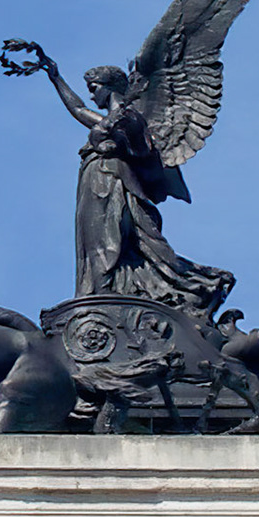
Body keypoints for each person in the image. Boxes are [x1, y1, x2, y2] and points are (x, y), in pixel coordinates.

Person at [40, 54, 234, 319]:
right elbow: (78, 110)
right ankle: (100, 294)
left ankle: (186, 284)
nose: (92, 96)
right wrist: (55, 77)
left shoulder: (130, 118)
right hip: (95, 182)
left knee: (113, 242)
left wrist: (114, 139)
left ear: (108, 86)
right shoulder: (115, 117)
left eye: (94, 89)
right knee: (94, 243)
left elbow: (144, 152)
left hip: (115, 183)